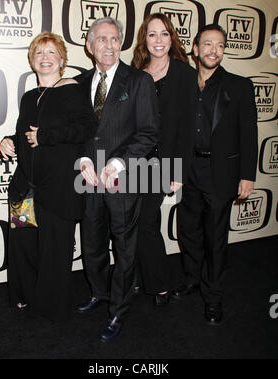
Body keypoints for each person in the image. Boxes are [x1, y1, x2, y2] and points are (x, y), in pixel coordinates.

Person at [0, 32, 97, 321]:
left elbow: (86, 128)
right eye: (39, 52)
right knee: (23, 243)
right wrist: (8, 141)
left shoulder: (72, 90)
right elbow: (23, 134)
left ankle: (50, 306)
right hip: (25, 188)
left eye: (51, 52)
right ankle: (25, 295)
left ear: (62, 60)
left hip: (59, 188)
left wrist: (47, 136)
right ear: (32, 60)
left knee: (55, 249)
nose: (45, 57)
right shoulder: (29, 96)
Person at [74, 17, 159, 342]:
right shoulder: (78, 84)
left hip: (123, 179)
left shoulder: (138, 80)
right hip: (87, 178)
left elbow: (149, 132)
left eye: (114, 39)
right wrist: (82, 160)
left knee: (124, 248)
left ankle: (118, 309)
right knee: (92, 242)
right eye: (101, 39)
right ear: (89, 45)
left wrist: (119, 164)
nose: (108, 45)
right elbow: (77, 133)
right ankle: (99, 292)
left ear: (120, 44)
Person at [174, 24, 258, 324]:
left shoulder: (239, 86)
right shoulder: (182, 84)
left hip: (220, 171)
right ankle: (192, 278)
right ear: (195, 49)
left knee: (215, 237)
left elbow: (249, 134)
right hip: (188, 169)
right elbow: (175, 132)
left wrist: (248, 176)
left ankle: (213, 297)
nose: (214, 50)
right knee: (189, 231)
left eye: (220, 45)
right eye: (207, 44)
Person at [131, 13, 197, 305]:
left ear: (172, 38)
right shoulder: (136, 70)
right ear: (144, 39)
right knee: (129, 221)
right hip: (133, 158)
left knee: (146, 221)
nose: (158, 40)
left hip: (163, 162)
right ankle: (134, 276)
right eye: (152, 34)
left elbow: (187, 125)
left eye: (164, 34)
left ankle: (159, 285)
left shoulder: (183, 73)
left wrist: (178, 169)